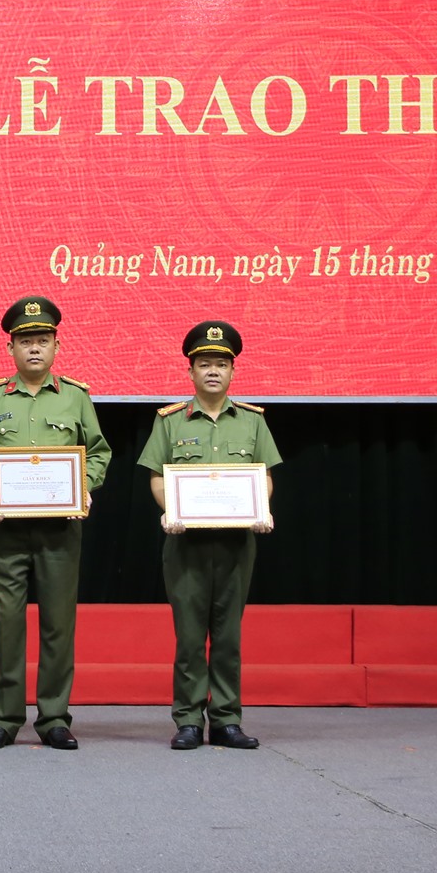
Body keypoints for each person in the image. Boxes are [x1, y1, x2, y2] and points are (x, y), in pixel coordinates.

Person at [0, 296, 110, 750]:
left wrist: (84, 485)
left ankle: (54, 717)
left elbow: (98, 451)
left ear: (57, 346)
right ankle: (3, 719)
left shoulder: (76, 398)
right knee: (6, 623)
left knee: (58, 623)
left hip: (60, 529)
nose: (34, 349)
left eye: (42, 340)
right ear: (11, 348)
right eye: (26, 341)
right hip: (6, 529)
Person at [136, 320, 280, 751]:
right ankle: (188, 720)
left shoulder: (252, 422)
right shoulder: (170, 421)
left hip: (237, 544)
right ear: (191, 372)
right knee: (190, 635)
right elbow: (158, 478)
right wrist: (171, 511)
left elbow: (264, 476)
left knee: (229, 634)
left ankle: (227, 719)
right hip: (186, 544)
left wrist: (261, 509)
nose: (212, 371)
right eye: (204, 364)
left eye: (221, 363)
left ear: (233, 371)